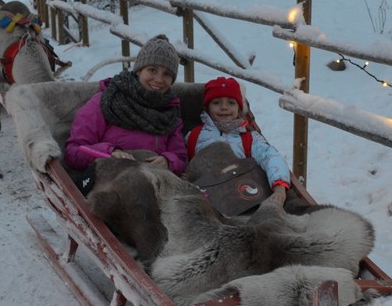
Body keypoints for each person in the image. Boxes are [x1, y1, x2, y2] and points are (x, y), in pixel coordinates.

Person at [65, 34, 188, 187]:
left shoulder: (169, 113)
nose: (159, 79)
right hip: (108, 184)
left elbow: (180, 157)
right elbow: (74, 152)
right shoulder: (107, 101)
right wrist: (109, 153)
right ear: (138, 70)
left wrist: (168, 161)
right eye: (152, 70)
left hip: (152, 186)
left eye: (167, 74)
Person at [187, 76, 291, 204]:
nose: (224, 107)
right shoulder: (194, 136)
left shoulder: (249, 138)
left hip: (238, 195)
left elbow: (270, 157)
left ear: (239, 109)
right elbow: (182, 160)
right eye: (216, 103)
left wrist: (279, 185)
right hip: (203, 194)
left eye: (231, 103)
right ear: (208, 107)